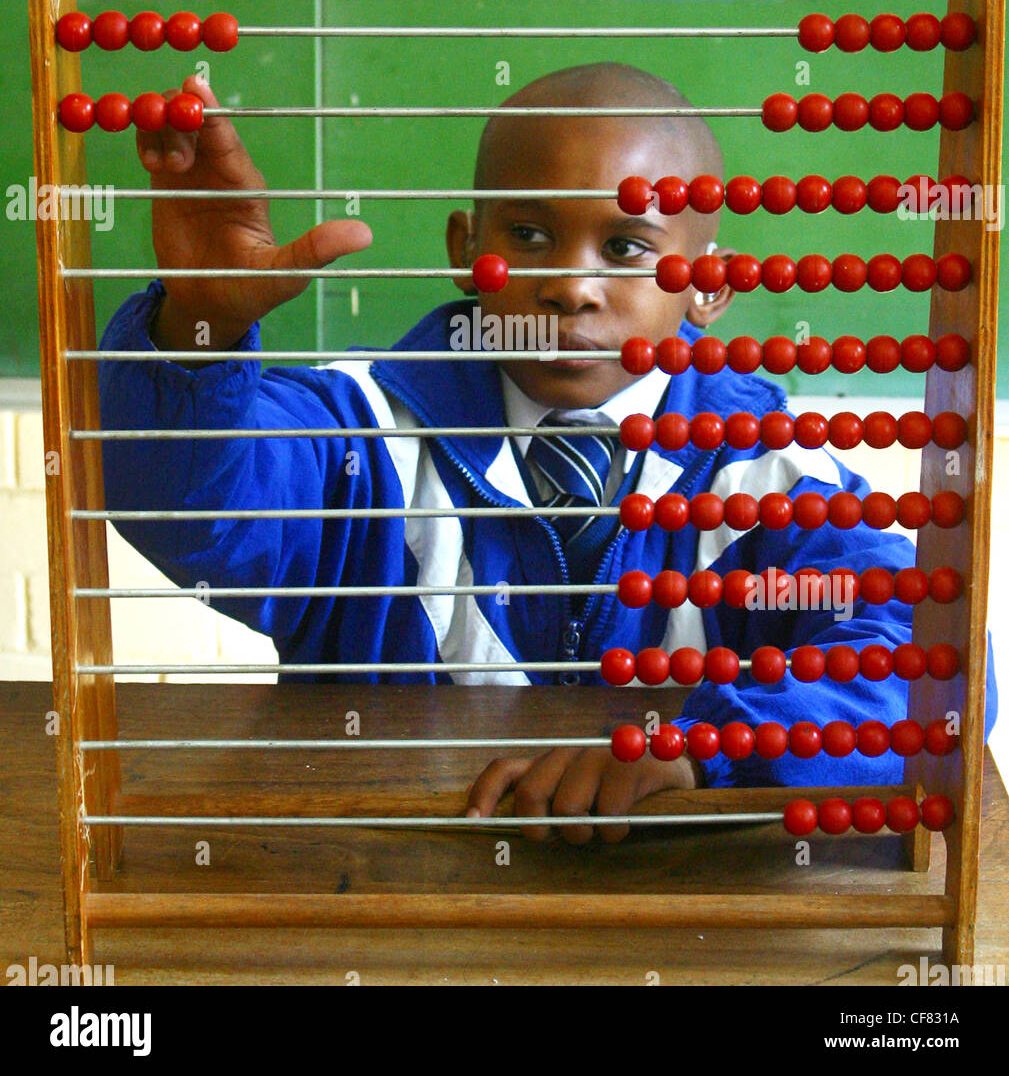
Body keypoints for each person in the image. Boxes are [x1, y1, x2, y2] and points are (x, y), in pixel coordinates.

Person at [97, 62, 996, 845]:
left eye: (626, 247)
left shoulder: (768, 478)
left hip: (687, 917)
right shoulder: (357, 440)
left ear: (709, 285)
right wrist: (196, 332)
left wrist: (710, 749)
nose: (571, 284)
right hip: (393, 904)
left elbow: (930, 661)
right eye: (527, 235)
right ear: (463, 246)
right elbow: (193, 512)